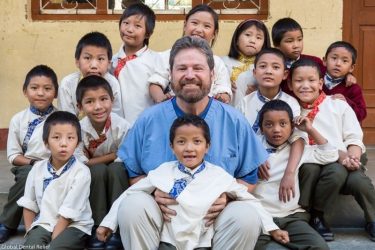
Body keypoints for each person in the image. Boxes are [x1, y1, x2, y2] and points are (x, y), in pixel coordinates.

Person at [115, 36, 269, 249]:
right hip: (165, 213)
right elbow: (133, 171)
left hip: (213, 217)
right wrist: (152, 191)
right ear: (170, 75)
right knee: (133, 205)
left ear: (212, 75)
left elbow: (248, 177)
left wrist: (228, 196)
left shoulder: (233, 120)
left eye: (198, 68)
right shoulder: (149, 119)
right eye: (181, 69)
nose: (189, 75)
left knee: (246, 216)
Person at [97, 114, 289, 250]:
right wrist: (108, 223)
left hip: (203, 240)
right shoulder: (162, 172)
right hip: (168, 239)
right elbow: (130, 193)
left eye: (197, 142)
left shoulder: (219, 175)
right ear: (172, 147)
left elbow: (248, 199)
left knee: (246, 213)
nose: (189, 148)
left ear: (207, 147)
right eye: (181, 142)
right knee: (134, 201)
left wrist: (272, 228)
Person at [289, 58, 375, 242]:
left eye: (311, 80)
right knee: (332, 171)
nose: (305, 86)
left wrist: (352, 157)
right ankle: (316, 215)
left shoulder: (337, 105)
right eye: (299, 81)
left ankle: (373, 220)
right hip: (312, 163)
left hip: (343, 162)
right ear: (290, 83)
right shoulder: (290, 110)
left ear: (320, 83)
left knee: (358, 179)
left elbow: (353, 137)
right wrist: (338, 156)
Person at [253, 100, 337, 250]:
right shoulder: (253, 149)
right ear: (261, 128)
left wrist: (310, 130)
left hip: (291, 217)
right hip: (259, 217)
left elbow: (330, 155)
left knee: (320, 247)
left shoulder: (297, 151)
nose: (276, 130)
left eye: (283, 124)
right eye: (269, 124)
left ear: (292, 128)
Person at [237, 48, 305, 204]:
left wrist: (289, 173)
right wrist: (256, 156)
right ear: (254, 73)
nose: (268, 71)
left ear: (285, 74)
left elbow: (298, 138)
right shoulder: (245, 103)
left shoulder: (291, 103)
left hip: (282, 160)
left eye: (275, 67)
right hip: (251, 160)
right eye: (262, 66)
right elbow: (240, 138)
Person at [17, 111, 93, 249]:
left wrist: (52, 243)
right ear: (46, 143)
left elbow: (68, 214)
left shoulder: (81, 172)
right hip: (45, 222)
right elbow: (29, 204)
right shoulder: (37, 169)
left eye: (70, 138)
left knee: (55, 247)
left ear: (77, 143)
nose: (63, 144)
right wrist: (30, 232)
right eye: (56, 137)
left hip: (74, 225)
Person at [0, 65, 58, 244]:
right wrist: (33, 164)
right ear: (25, 91)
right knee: (28, 176)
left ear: (55, 93)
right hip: (29, 165)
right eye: (34, 88)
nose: (40, 93)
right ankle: (7, 224)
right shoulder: (18, 119)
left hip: (57, 165)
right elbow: (13, 156)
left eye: (47, 88)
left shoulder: (61, 117)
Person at [74, 75, 131, 249]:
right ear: (80, 106)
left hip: (116, 172)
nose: (98, 106)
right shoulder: (78, 129)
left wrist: (111, 157)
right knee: (97, 170)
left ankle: (117, 230)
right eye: (90, 101)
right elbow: (81, 161)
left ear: (112, 100)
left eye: (104, 99)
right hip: (93, 174)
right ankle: (97, 226)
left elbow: (124, 156)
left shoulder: (122, 126)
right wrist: (111, 155)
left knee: (117, 169)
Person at [148, 4, 232, 104]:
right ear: (185, 25)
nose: (199, 29)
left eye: (207, 26)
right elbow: (156, 83)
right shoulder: (167, 56)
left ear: (214, 33)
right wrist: (160, 99)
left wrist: (222, 97)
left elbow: (224, 89)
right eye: (194, 23)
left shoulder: (218, 63)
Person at [111, 3, 159, 124]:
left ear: (148, 33)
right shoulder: (110, 61)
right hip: (115, 129)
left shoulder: (156, 61)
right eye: (126, 23)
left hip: (144, 126)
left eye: (137, 26)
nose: (129, 29)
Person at [57, 31, 122, 118]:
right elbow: (66, 120)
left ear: (109, 64)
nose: (94, 66)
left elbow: (115, 118)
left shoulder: (112, 84)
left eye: (100, 59)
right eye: (87, 58)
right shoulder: (67, 84)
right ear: (77, 62)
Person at [221, 19, 271, 106]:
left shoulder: (266, 68)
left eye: (258, 37)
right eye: (248, 35)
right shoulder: (222, 62)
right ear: (236, 39)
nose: (252, 40)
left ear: (264, 44)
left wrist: (261, 91)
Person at [322, 41, 367, 122]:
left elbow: (361, 114)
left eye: (345, 61)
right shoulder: (315, 80)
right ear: (324, 61)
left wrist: (346, 102)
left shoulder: (353, 88)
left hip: (340, 131)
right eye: (334, 58)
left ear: (351, 68)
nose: (338, 64)